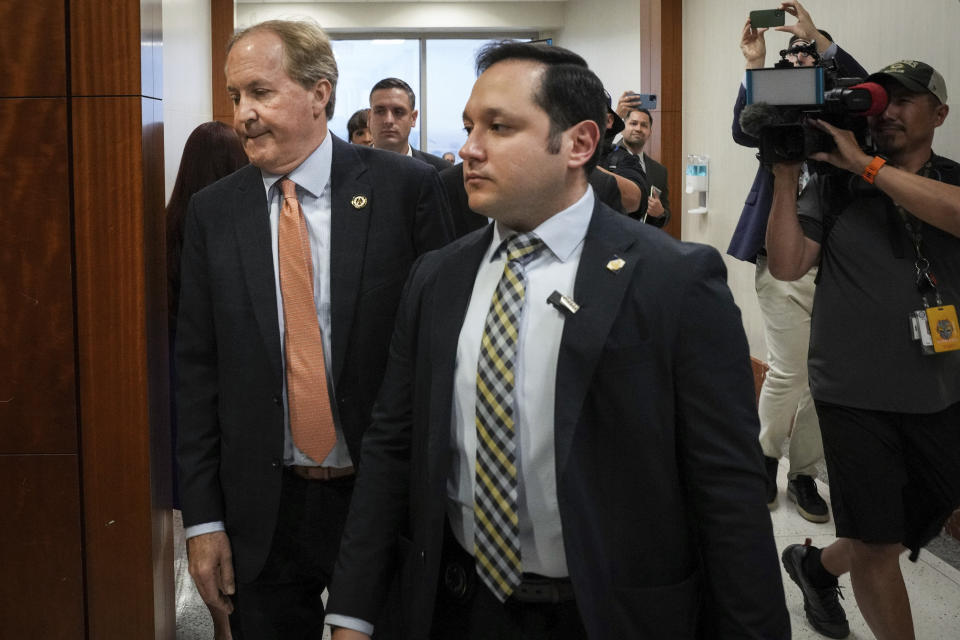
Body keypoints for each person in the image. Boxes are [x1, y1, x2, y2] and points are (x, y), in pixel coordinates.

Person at [325, 40, 790, 640]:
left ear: (579, 144)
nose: (469, 148)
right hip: (457, 608)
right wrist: (353, 609)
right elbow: (392, 446)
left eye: (499, 127)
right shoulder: (438, 276)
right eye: (470, 126)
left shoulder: (675, 281)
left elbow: (728, 492)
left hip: (605, 615)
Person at [175, 19, 452, 639]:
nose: (243, 113)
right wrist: (202, 522)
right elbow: (196, 372)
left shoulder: (407, 191)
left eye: (260, 93)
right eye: (236, 96)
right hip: (264, 508)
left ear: (320, 92)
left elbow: (444, 354)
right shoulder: (214, 212)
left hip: (382, 500)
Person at [766, 60, 960, 640]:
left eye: (905, 101)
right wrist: (782, 176)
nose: (888, 111)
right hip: (852, 393)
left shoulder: (948, 178)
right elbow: (786, 263)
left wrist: (867, 165)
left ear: (940, 115)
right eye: (881, 100)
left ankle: (814, 568)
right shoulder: (835, 184)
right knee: (878, 542)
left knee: (906, 527)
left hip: (943, 388)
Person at [728, 0, 866, 524]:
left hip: (841, 262)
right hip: (778, 252)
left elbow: (869, 93)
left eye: (810, 48)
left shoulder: (845, 108)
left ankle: (805, 472)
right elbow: (744, 129)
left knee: (823, 375)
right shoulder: (775, 103)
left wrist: (824, 47)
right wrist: (757, 65)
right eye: (796, 52)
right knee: (788, 370)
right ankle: (765, 460)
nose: (801, 54)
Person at [166, 120, 248, 640]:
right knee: (241, 513)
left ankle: (219, 621)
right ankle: (234, 613)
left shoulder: (167, 225)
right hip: (235, 385)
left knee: (200, 516)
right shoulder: (237, 224)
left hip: (180, 383)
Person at [368, 77, 452, 171]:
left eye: (398, 112)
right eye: (380, 111)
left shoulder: (441, 171)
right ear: (369, 117)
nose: (389, 120)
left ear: (413, 118)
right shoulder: (349, 169)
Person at [608, 102, 670, 226]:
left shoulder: (659, 171)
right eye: (633, 123)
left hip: (644, 239)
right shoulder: (606, 156)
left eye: (644, 125)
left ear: (650, 132)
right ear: (621, 128)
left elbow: (666, 213)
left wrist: (661, 213)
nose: (638, 128)